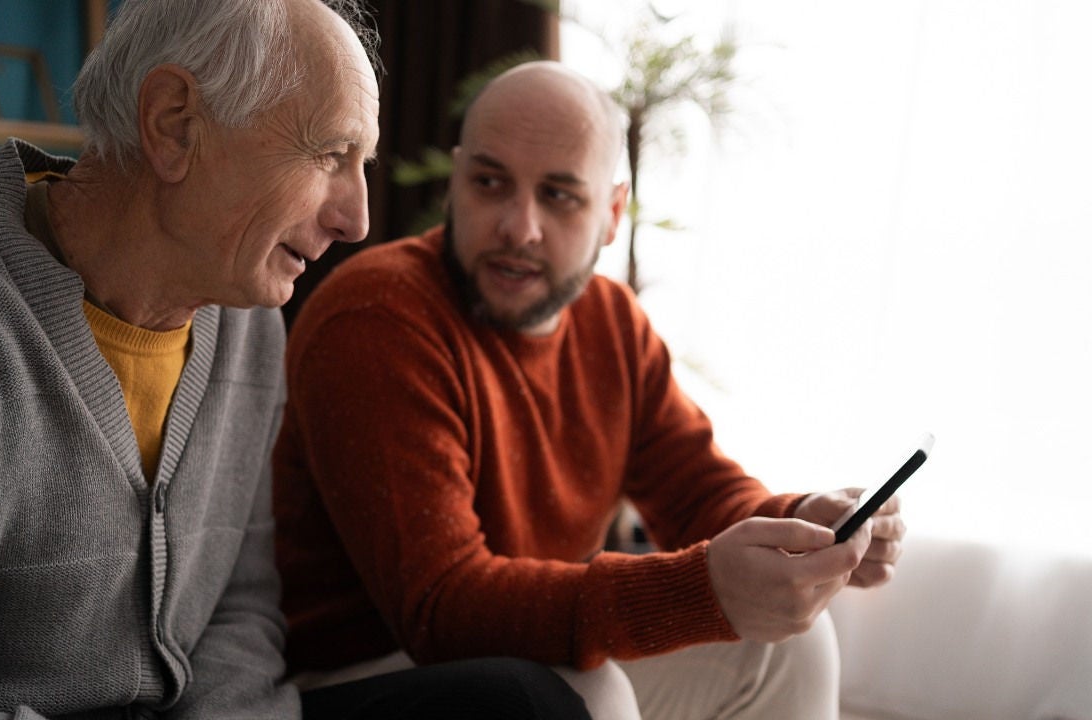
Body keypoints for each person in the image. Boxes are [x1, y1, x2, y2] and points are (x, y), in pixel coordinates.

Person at [0, 4, 592, 719]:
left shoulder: (249, 321)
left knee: (525, 703)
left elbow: (239, 611)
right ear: (174, 123)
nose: (355, 219)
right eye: (330, 153)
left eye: (364, 165)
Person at [273, 60, 907, 719]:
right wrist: (700, 588)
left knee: (789, 650)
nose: (519, 227)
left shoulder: (612, 322)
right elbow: (442, 606)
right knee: (588, 695)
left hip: (509, 648)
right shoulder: (379, 316)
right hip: (352, 676)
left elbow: (700, 493)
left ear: (611, 213)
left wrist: (802, 523)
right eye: (490, 183)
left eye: (558, 194)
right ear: (458, 180)